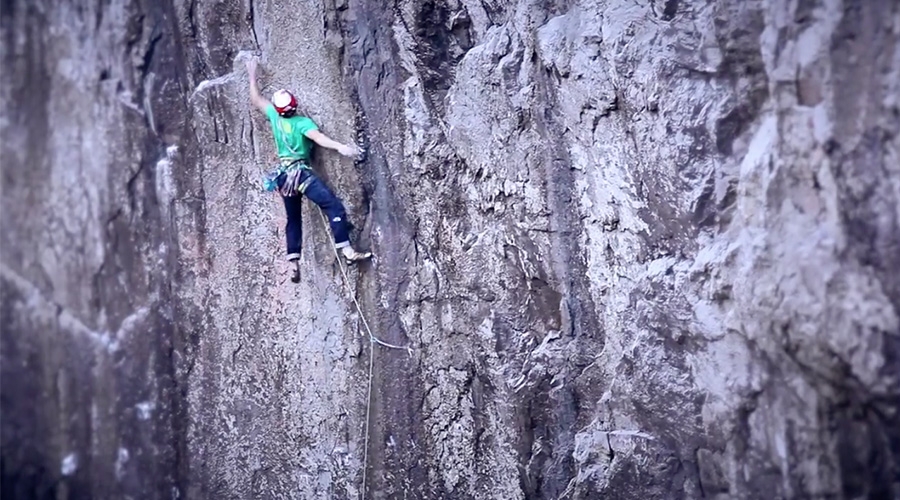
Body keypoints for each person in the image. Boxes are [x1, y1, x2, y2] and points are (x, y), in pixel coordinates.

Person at [246, 58, 372, 283]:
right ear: (294, 105)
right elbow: (320, 138)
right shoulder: (303, 123)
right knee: (331, 205)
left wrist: (252, 73)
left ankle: (293, 262)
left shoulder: (275, 117)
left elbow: (256, 99)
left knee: (293, 219)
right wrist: (341, 147)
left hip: (284, 178)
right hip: (301, 174)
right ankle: (346, 249)